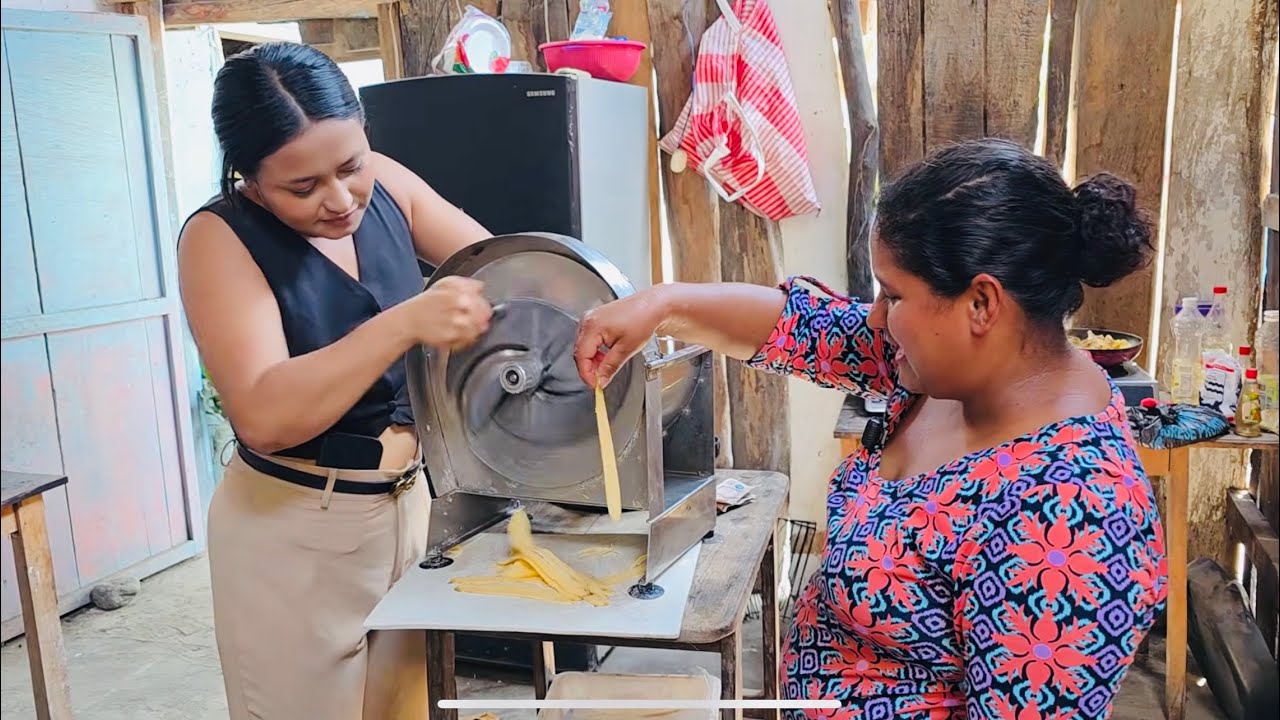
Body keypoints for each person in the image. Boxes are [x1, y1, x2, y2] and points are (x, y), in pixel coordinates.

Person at [574, 138, 1169, 718]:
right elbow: (806, 327)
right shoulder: (948, 372)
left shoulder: (1077, 516)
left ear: (982, 304)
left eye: (893, 295)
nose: (877, 318)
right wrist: (661, 305)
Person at [177, 42, 493, 719]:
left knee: (403, 708)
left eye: (351, 166)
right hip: (293, 531)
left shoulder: (388, 186)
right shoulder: (219, 238)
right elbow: (264, 411)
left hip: (408, 510)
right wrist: (404, 322)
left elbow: (496, 267)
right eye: (302, 187)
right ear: (251, 179)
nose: (340, 198)